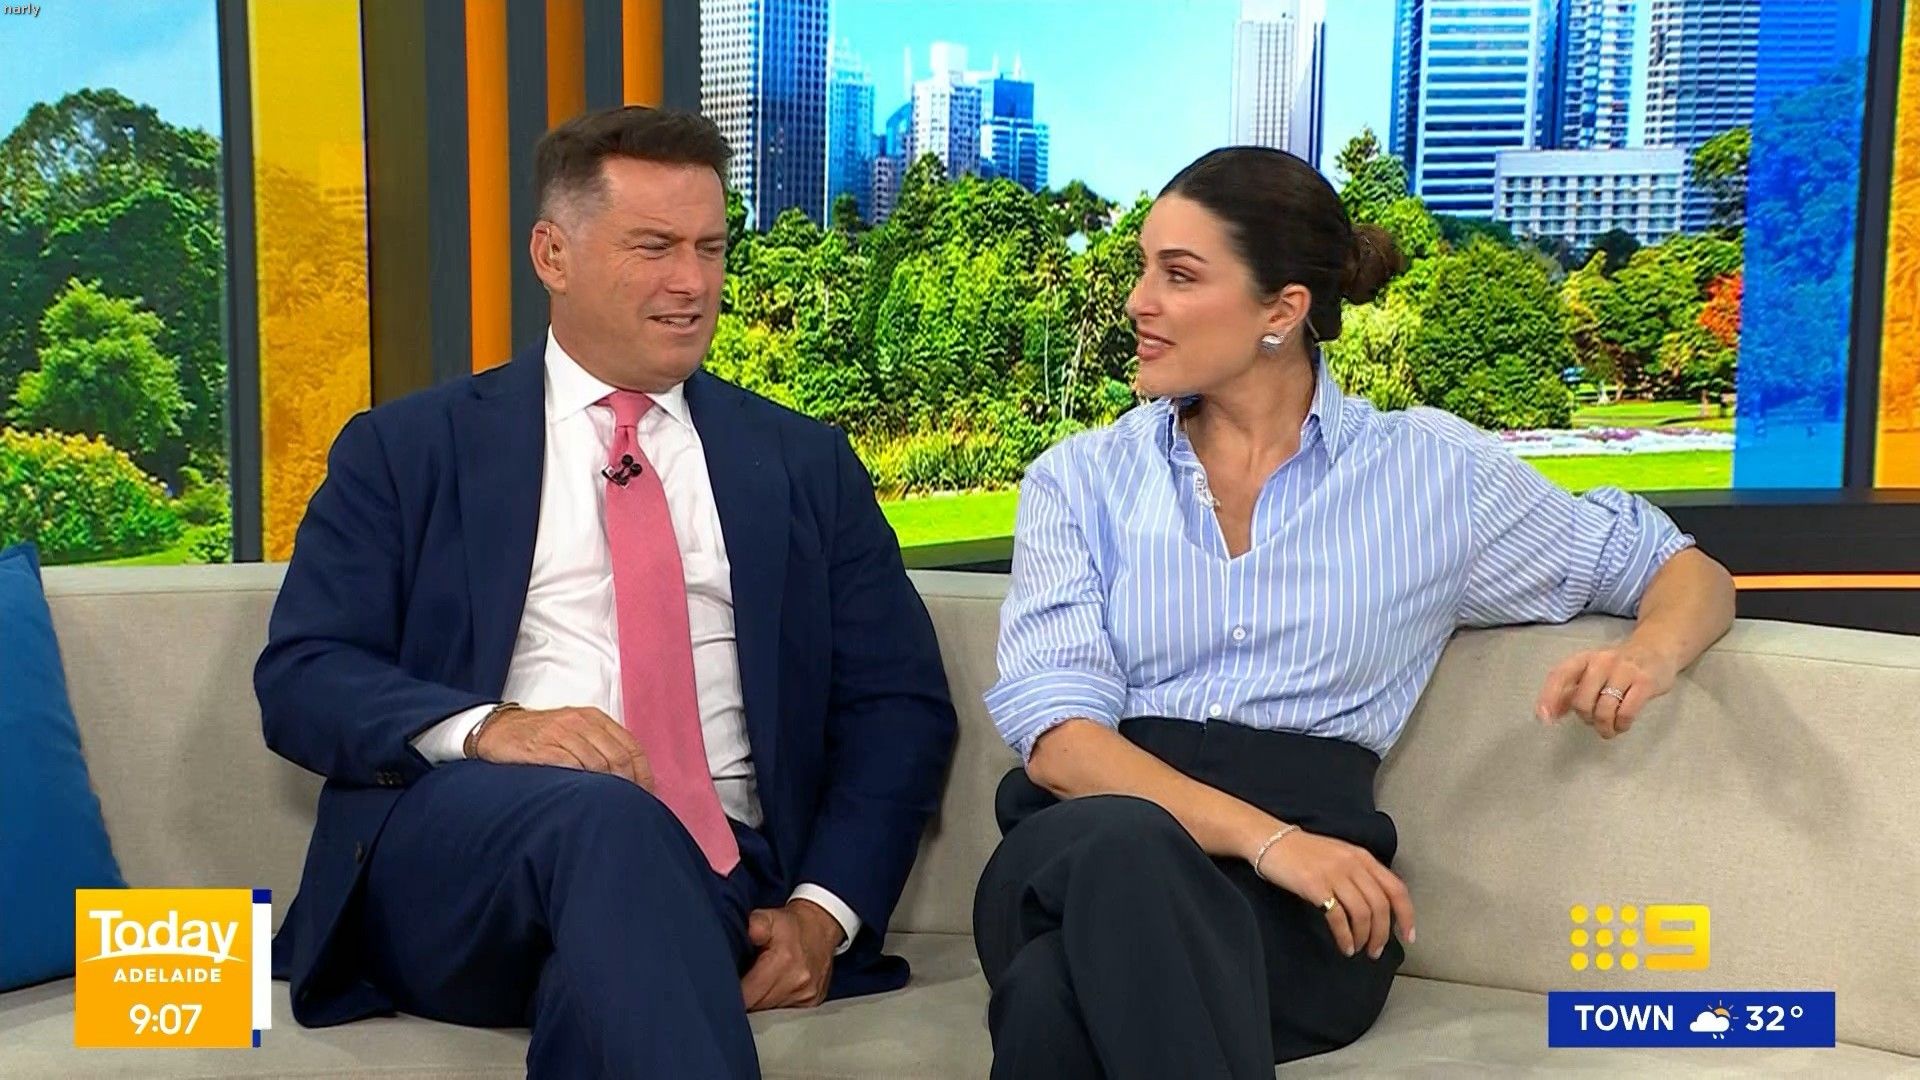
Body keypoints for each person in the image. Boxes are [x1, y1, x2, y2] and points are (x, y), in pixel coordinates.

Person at [972, 146, 1736, 1079]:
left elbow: (1679, 569)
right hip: (1084, 853)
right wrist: (1273, 842)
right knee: (1128, 849)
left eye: (1178, 275)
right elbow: (1060, 746)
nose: (1138, 301)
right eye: (1144, 269)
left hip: (1301, 917)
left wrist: (1649, 654)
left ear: (1282, 310)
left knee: (1051, 996)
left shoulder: (1430, 475)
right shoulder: (1078, 481)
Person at [257, 105, 957, 1079]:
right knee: (608, 817)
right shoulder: (407, 449)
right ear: (552, 254)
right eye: (654, 247)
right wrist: (492, 729)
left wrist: (821, 912)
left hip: (717, 873)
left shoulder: (803, 465)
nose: (693, 283)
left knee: (613, 972)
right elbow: (304, 676)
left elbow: (898, 706)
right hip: (458, 866)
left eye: (711, 248)